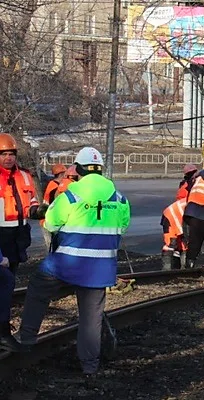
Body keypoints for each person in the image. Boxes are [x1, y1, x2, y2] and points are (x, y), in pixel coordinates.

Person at [17, 147, 130, 375]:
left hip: (67, 264)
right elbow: (123, 225)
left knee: (39, 287)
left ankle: (26, 338)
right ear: (100, 171)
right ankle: (90, 367)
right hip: (100, 268)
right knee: (91, 318)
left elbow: (50, 224)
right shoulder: (119, 198)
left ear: (78, 170)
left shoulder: (70, 196)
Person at [0, 133, 47, 350]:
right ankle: (3, 332)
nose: (8, 158)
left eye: (11, 153)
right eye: (3, 154)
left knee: (8, 284)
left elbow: (31, 202)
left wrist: (38, 210)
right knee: (5, 283)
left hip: (18, 236)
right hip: (1, 237)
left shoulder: (25, 176)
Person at [160, 198, 187, 271]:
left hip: (178, 215)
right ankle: (166, 270)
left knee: (183, 245)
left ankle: (180, 269)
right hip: (170, 216)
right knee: (170, 244)